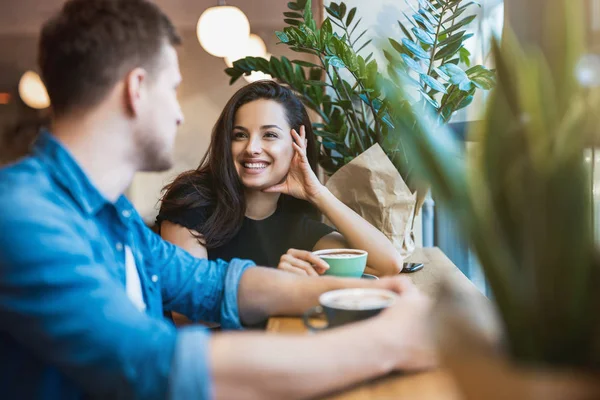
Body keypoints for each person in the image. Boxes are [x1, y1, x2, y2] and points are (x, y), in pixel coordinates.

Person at [0, 1, 436, 399]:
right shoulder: (24, 217)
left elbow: (212, 285)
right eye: (172, 88)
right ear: (136, 89)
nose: (179, 112)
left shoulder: (112, 215)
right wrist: (385, 344)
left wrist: (364, 294)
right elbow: (157, 364)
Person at [158, 81, 404, 277]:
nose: (252, 147)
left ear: (298, 146)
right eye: (239, 135)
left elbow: (388, 264)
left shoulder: (297, 223)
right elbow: (187, 313)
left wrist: (317, 193)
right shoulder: (192, 201)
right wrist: (278, 283)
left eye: (270, 135)